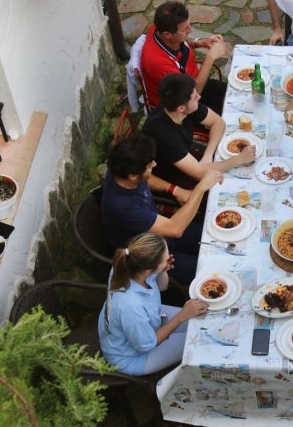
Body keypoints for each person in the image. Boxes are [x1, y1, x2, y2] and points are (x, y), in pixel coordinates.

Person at [101, 133, 223, 284]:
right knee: (214, 269)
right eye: (149, 165)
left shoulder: (120, 169)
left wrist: (173, 189)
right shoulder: (123, 206)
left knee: (219, 235)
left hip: (162, 233)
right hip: (150, 258)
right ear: (132, 176)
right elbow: (175, 229)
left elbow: (147, 177)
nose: (154, 165)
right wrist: (201, 188)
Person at [98, 233, 209, 376]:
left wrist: (163, 270)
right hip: (132, 357)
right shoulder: (130, 306)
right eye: (165, 259)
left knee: (203, 320)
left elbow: (162, 287)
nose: (169, 258)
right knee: (200, 338)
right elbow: (147, 344)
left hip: (148, 319)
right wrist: (181, 316)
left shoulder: (130, 265)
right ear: (148, 270)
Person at [142, 73, 256, 190]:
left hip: (187, 160)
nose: (199, 97)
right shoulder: (164, 133)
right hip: (169, 177)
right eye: (194, 97)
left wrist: (208, 155)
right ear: (181, 108)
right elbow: (199, 173)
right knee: (233, 185)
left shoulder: (182, 106)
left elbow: (218, 122)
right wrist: (239, 159)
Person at [140, 1, 229, 111]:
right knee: (229, 118)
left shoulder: (160, 28)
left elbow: (181, 41)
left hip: (196, 82)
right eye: (185, 29)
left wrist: (201, 43)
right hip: (182, 106)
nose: (190, 30)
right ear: (167, 34)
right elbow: (192, 94)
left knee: (235, 95)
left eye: (189, 25)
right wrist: (210, 58)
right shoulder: (158, 63)